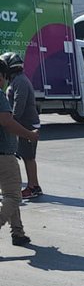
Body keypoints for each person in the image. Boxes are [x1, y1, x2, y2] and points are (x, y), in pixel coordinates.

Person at [0, 56, 39, 248]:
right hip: (4, 155)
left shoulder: (19, 83)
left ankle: (18, 233)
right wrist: (29, 135)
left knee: (10, 192)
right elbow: (7, 121)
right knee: (14, 196)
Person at [1, 52, 42, 198]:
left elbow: (19, 105)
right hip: (24, 124)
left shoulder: (20, 81)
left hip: (26, 125)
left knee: (28, 156)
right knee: (26, 156)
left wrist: (10, 123)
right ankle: (33, 185)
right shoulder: (17, 80)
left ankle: (33, 187)